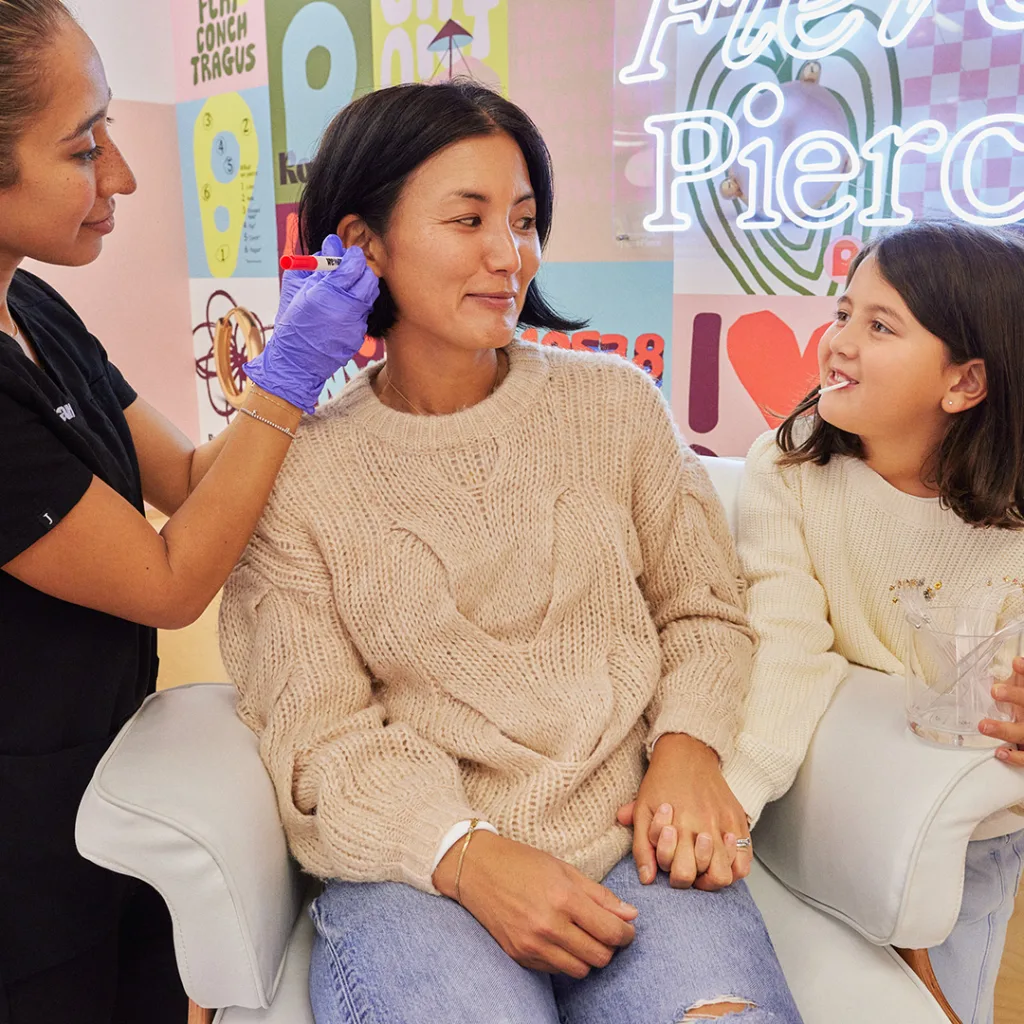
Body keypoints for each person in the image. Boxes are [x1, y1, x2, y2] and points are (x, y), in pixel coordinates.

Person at [219, 79, 803, 1024]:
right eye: (469, 219)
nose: (510, 254)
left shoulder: (612, 404)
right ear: (362, 246)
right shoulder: (299, 473)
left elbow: (703, 608)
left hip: (633, 841)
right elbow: (319, 740)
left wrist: (689, 749)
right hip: (420, 875)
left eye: (525, 220)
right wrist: (464, 851)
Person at [0, 2, 377, 1021]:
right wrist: (286, 382)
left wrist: (328, 393)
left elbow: (191, 474)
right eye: (85, 147)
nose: (120, 174)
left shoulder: (31, 305)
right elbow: (169, 580)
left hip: (120, 779)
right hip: (25, 852)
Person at [725, 220, 1024, 1024]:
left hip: (966, 837)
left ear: (964, 383)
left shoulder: (1013, 527)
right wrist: (734, 801)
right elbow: (784, 647)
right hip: (811, 806)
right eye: (843, 314)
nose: (839, 344)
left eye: (880, 326)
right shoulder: (786, 471)